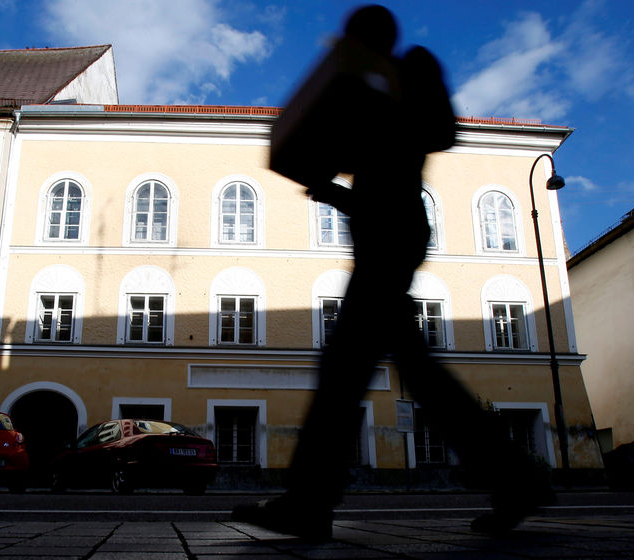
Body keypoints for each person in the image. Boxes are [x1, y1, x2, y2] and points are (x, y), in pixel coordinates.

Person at [232, 5, 554, 540]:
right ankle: (514, 478)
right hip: (383, 230)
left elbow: (437, 132)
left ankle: (309, 504)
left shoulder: (410, 69)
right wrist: (332, 184)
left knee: (343, 371)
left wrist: (372, 108)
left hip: (394, 234)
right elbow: (377, 172)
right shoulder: (371, 86)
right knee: (407, 371)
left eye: (354, 37)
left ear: (369, 36)